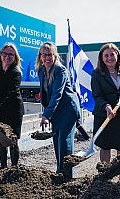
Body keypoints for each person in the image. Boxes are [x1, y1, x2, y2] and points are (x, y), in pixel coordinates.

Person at [91, 43, 120, 187]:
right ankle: (105, 176)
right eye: (106, 55)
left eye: (112, 54)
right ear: (102, 58)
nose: (109, 58)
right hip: (105, 115)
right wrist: (106, 106)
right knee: (105, 146)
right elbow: (97, 96)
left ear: (117, 55)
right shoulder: (97, 73)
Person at [35, 42, 80, 179]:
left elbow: (57, 94)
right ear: (40, 56)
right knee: (56, 140)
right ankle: (60, 171)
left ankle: (67, 176)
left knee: (64, 141)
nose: (47, 58)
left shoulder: (60, 70)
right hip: (56, 111)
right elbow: (46, 93)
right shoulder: (41, 71)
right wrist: (48, 112)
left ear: (55, 56)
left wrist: (46, 115)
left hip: (68, 110)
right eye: (44, 55)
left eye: (50, 54)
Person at [0, 42, 24, 169]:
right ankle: (3, 167)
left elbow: (12, 93)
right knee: (0, 140)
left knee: (12, 140)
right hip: (0, 110)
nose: (7, 56)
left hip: (14, 110)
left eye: (11, 54)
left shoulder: (16, 72)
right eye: (5, 54)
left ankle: (14, 169)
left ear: (15, 57)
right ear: (1, 55)